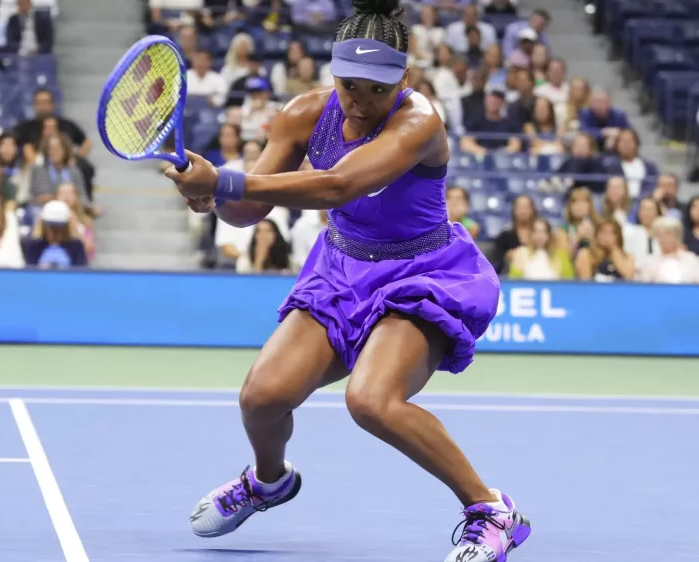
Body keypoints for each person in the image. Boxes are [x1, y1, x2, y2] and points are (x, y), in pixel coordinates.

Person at [164, 2, 527, 561]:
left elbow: (338, 186)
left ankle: (491, 510)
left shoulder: (419, 121)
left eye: (377, 88)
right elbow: (250, 209)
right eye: (349, 84)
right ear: (331, 72)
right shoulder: (304, 114)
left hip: (419, 273)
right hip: (341, 270)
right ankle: (269, 482)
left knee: (373, 400)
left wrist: (229, 179)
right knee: (261, 398)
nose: (360, 100)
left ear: (403, 78)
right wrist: (214, 196)